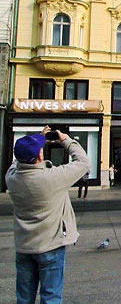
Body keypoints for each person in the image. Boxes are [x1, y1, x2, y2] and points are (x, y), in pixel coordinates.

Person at [6, 125, 91, 304]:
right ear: (39, 156)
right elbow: (83, 162)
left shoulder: (11, 178)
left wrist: (37, 140)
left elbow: (17, 162)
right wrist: (66, 140)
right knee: (51, 296)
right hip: (50, 246)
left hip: (24, 247)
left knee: (24, 298)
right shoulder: (53, 177)